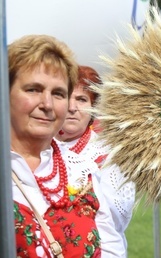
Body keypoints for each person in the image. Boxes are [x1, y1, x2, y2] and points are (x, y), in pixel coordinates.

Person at [9, 34, 124, 257]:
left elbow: (112, 248)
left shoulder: (81, 171)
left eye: (58, 93)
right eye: (33, 89)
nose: (47, 104)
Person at [55, 65, 135, 250]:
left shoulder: (109, 155)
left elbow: (116, 221)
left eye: (81, 99)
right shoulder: (38, 147)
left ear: (94, 108)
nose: (72, 107)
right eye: (65, 97)